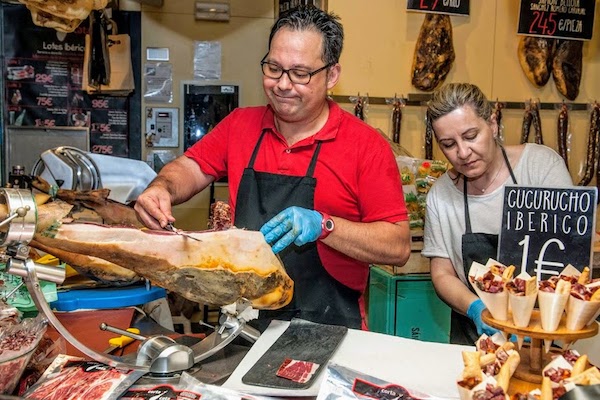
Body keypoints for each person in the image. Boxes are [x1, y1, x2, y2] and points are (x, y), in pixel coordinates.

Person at [134, 5, 411, 331]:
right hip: (244, 325)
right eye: (274, 68)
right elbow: (190, 167)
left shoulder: (366, 146)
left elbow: (398, 245)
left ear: (331, 75)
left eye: (300, 73)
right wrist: (161, 188)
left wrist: (325, 226)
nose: (282, 84)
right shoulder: (240, 125)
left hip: (330, 328)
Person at [421, 83, 573, 345]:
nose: (463, 153)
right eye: (448, 144)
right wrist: (476, 308)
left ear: (492, 124)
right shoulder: (441, 195)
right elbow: (442, 273)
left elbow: (570, 256)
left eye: (471, 136)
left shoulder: (540, 169)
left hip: (544, 334)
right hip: (476, 337)